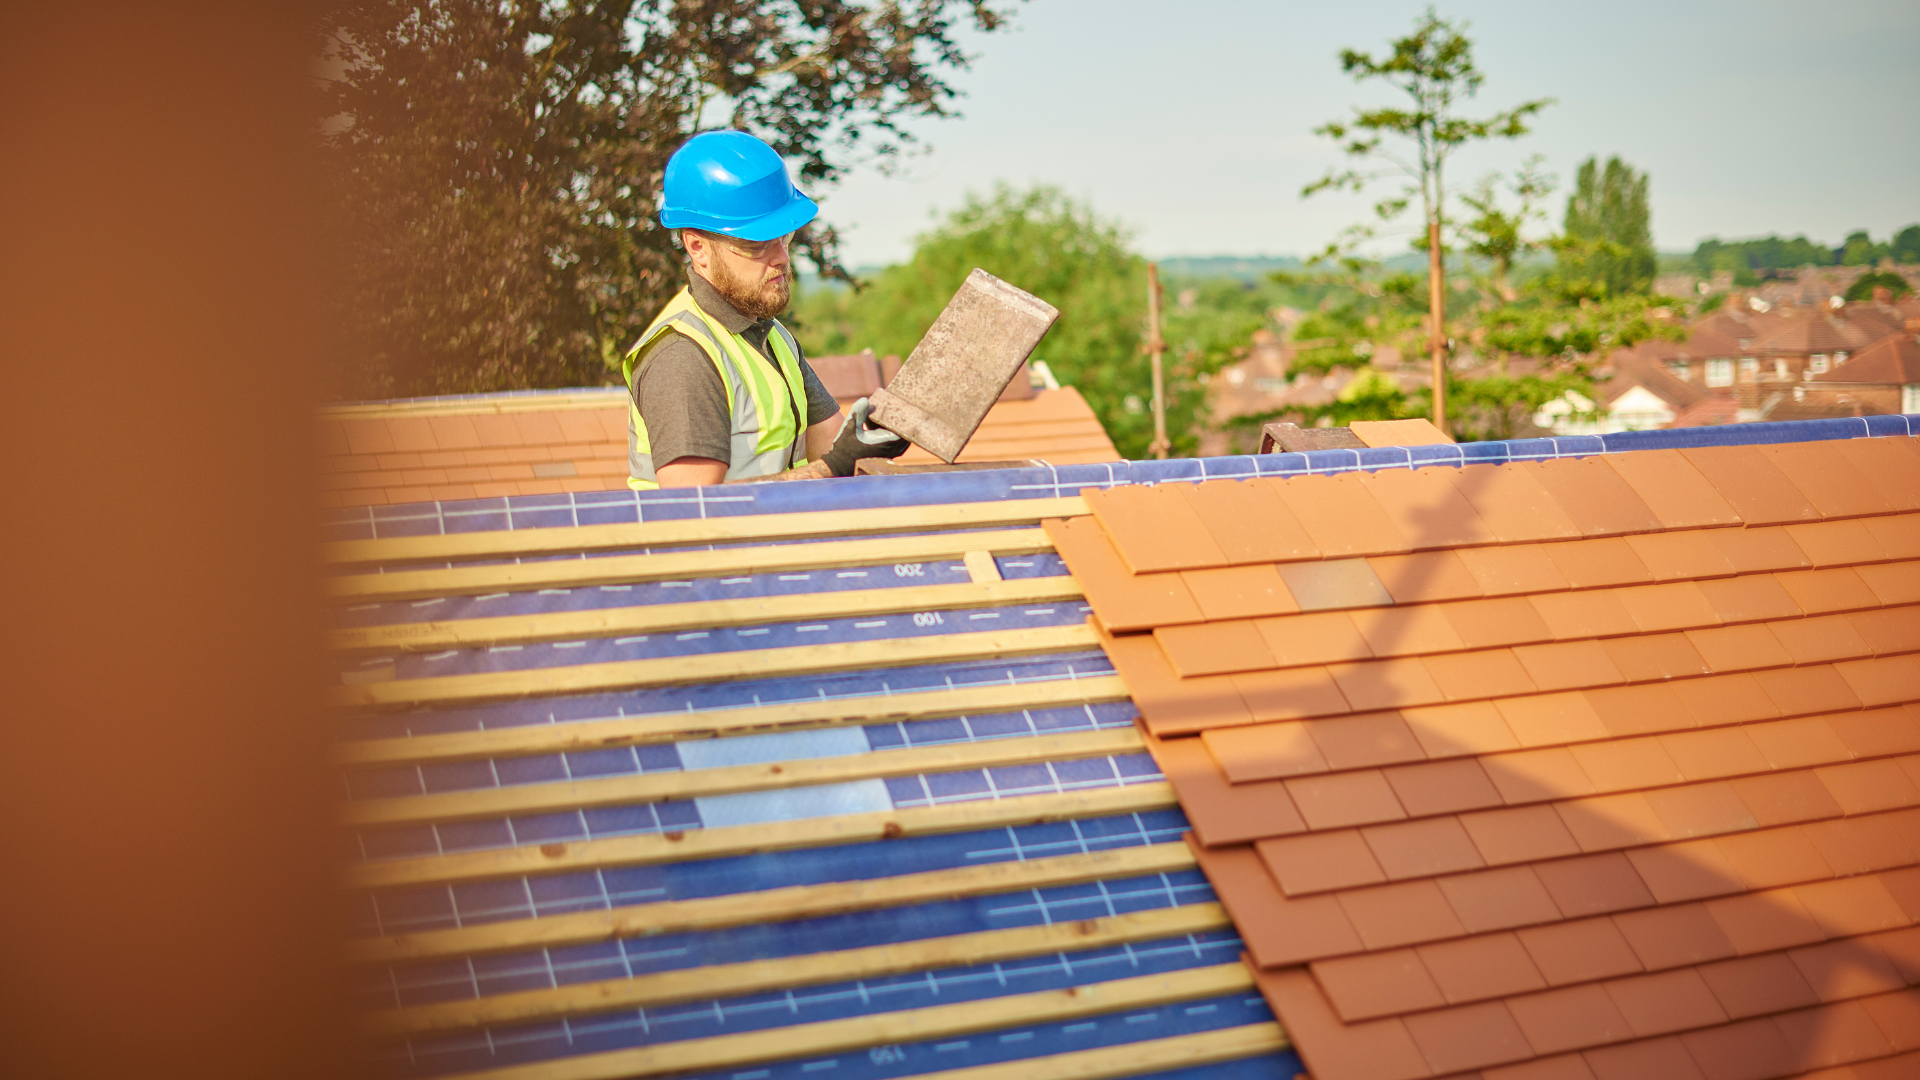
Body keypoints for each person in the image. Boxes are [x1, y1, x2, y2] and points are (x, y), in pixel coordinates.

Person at [623, 130, 908, 489]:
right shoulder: (683, 355)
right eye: (756, 244)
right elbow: (690, 508)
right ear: (697, 247)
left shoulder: (772, 337)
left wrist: (869, 440)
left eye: (784, 236)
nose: (782, 258)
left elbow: (832, 447)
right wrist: (832, 467)